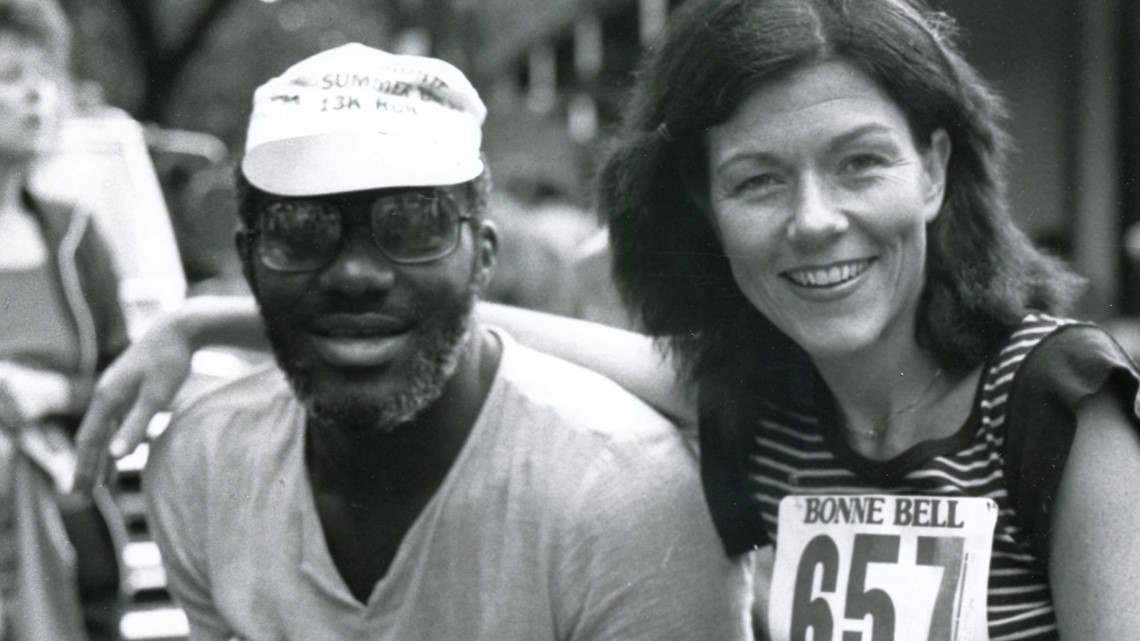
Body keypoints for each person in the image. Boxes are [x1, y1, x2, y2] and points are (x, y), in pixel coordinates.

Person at [71, 1, 1140, 639]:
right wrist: (217, 323)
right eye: (759, 181)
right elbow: (465, 319)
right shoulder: (774, 411)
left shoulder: (1057, 404)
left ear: (936, 171)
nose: (816, 221)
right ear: (706, 215)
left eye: (860, 163)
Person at [130, 43, 750, 641]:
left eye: (413, 224)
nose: (356, 274)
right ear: (249, 259)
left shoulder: (623, 492)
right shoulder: (204, 466)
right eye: (301, 228)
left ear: (482, 259)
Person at [0, 1, 127, 640]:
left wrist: (54, 393)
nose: (36, 95)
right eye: (11, 73)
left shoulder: (77, 238)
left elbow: (125, 383)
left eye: (45, 76)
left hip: (73, 562)